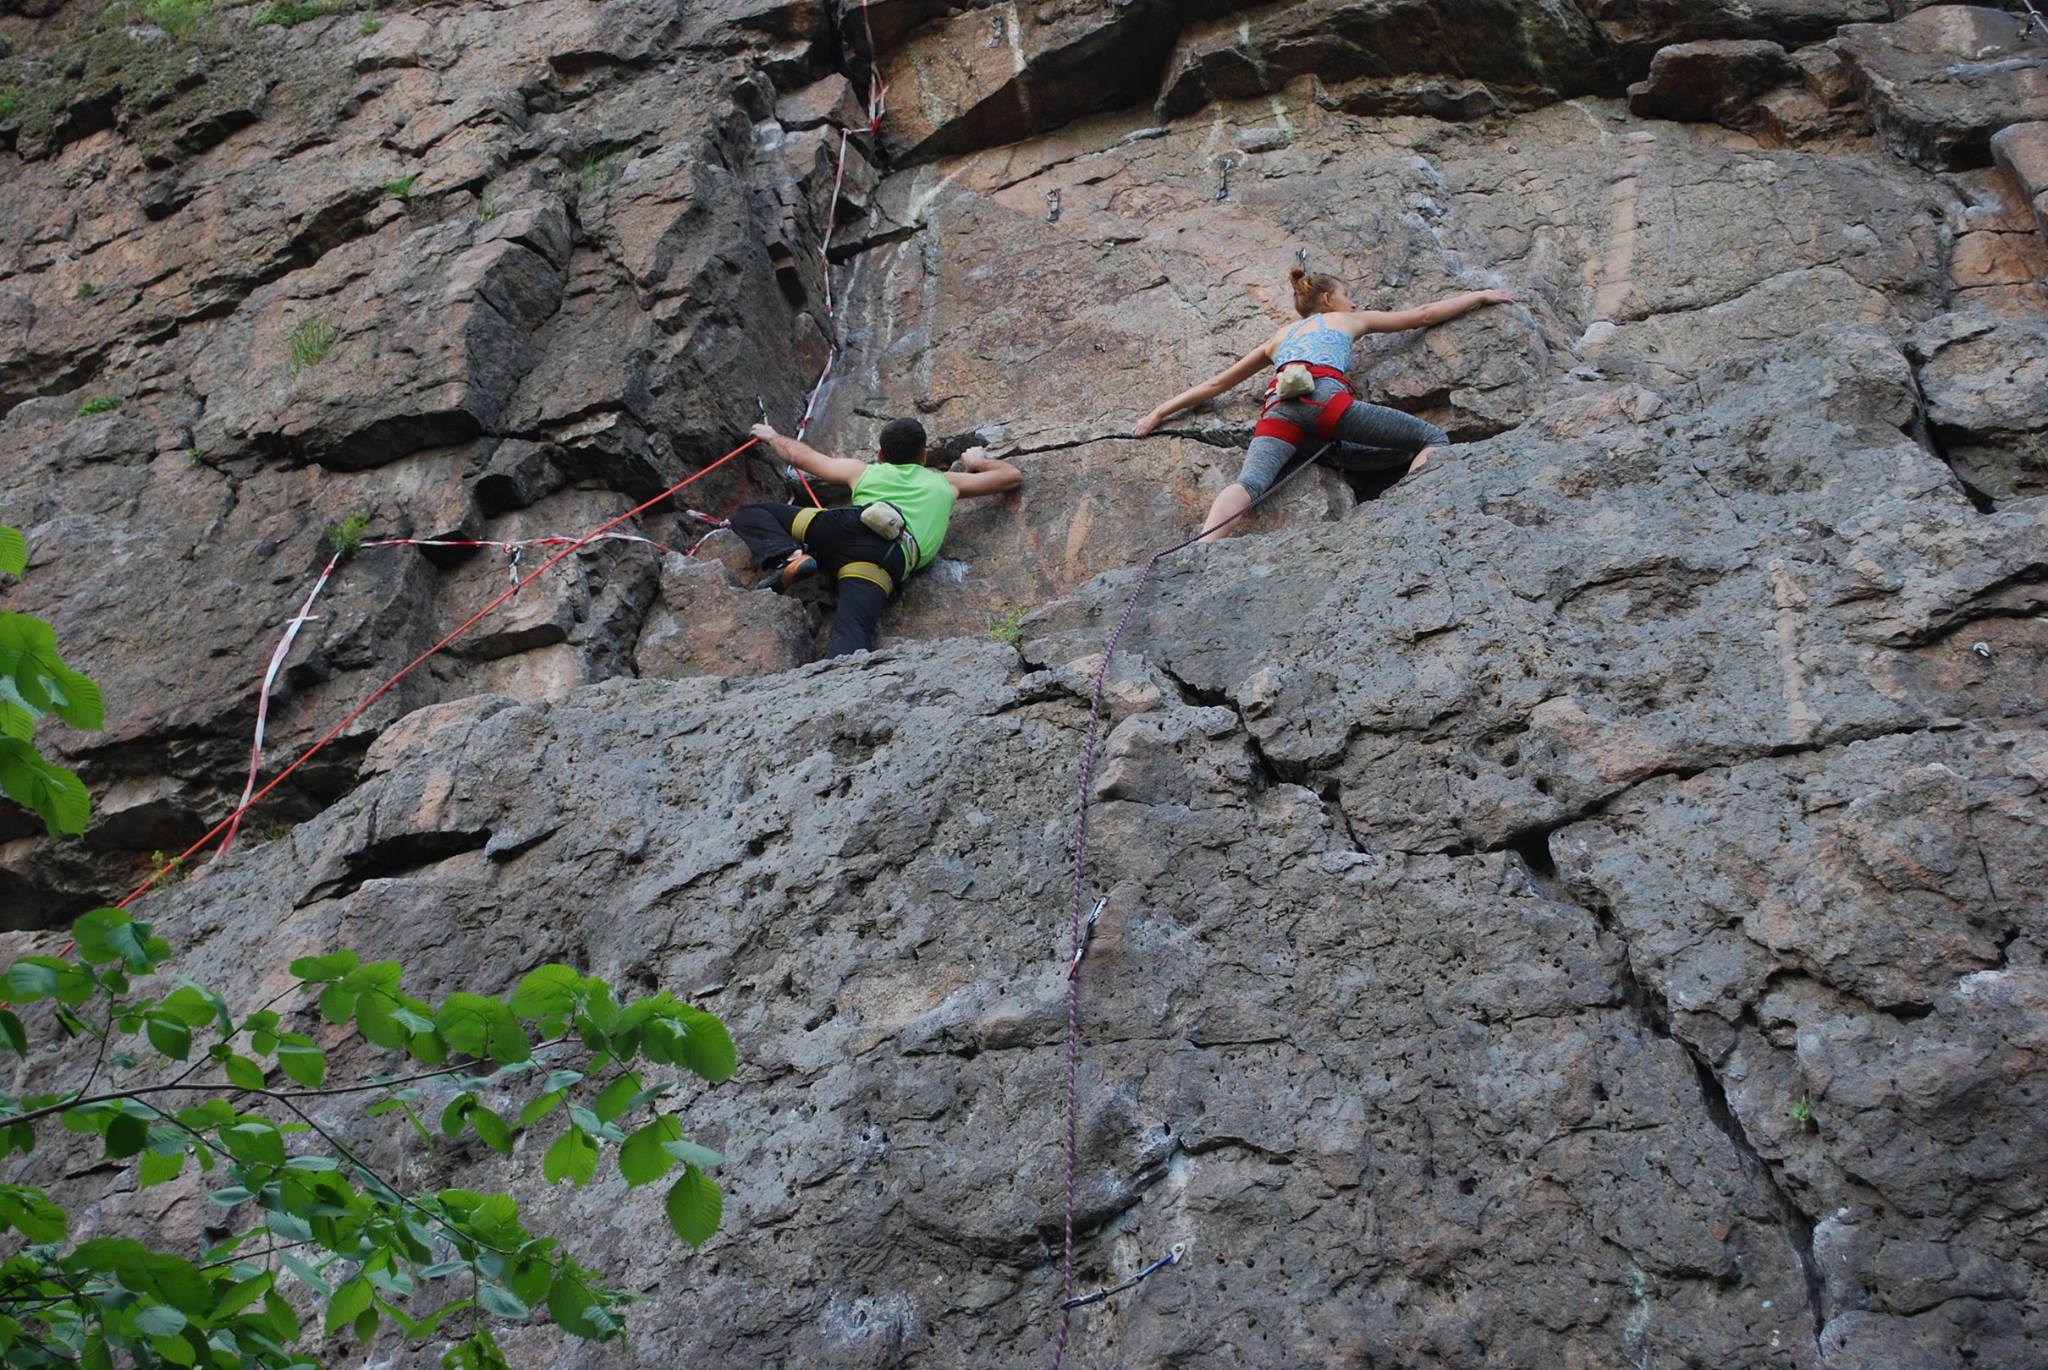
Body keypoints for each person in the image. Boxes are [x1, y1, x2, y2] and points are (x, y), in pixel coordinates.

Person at [1133, 266, 1515, 541]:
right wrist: (1479, 295)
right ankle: (1409, 511)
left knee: (1251, 483)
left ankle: (1203, 546)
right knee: (1431, 438)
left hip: (1278, 408)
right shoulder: (1347, 321)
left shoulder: (1278, 337)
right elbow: (1425, 315)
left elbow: (1217, 383)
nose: (1354, 302)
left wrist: (1158, 412)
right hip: (1326, 402)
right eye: (1348, 295)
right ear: (1330, 299)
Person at [733, 417, 1022, 657]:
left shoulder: (863, 471)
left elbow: (800, 456)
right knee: (852, 634)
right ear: (923, 455)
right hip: (886, 557)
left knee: (750, 514)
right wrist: (978, 461)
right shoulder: (946, 483)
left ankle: (792, 556)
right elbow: (1011, 477)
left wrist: (771, 436)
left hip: (842, 526)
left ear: (881, 454)